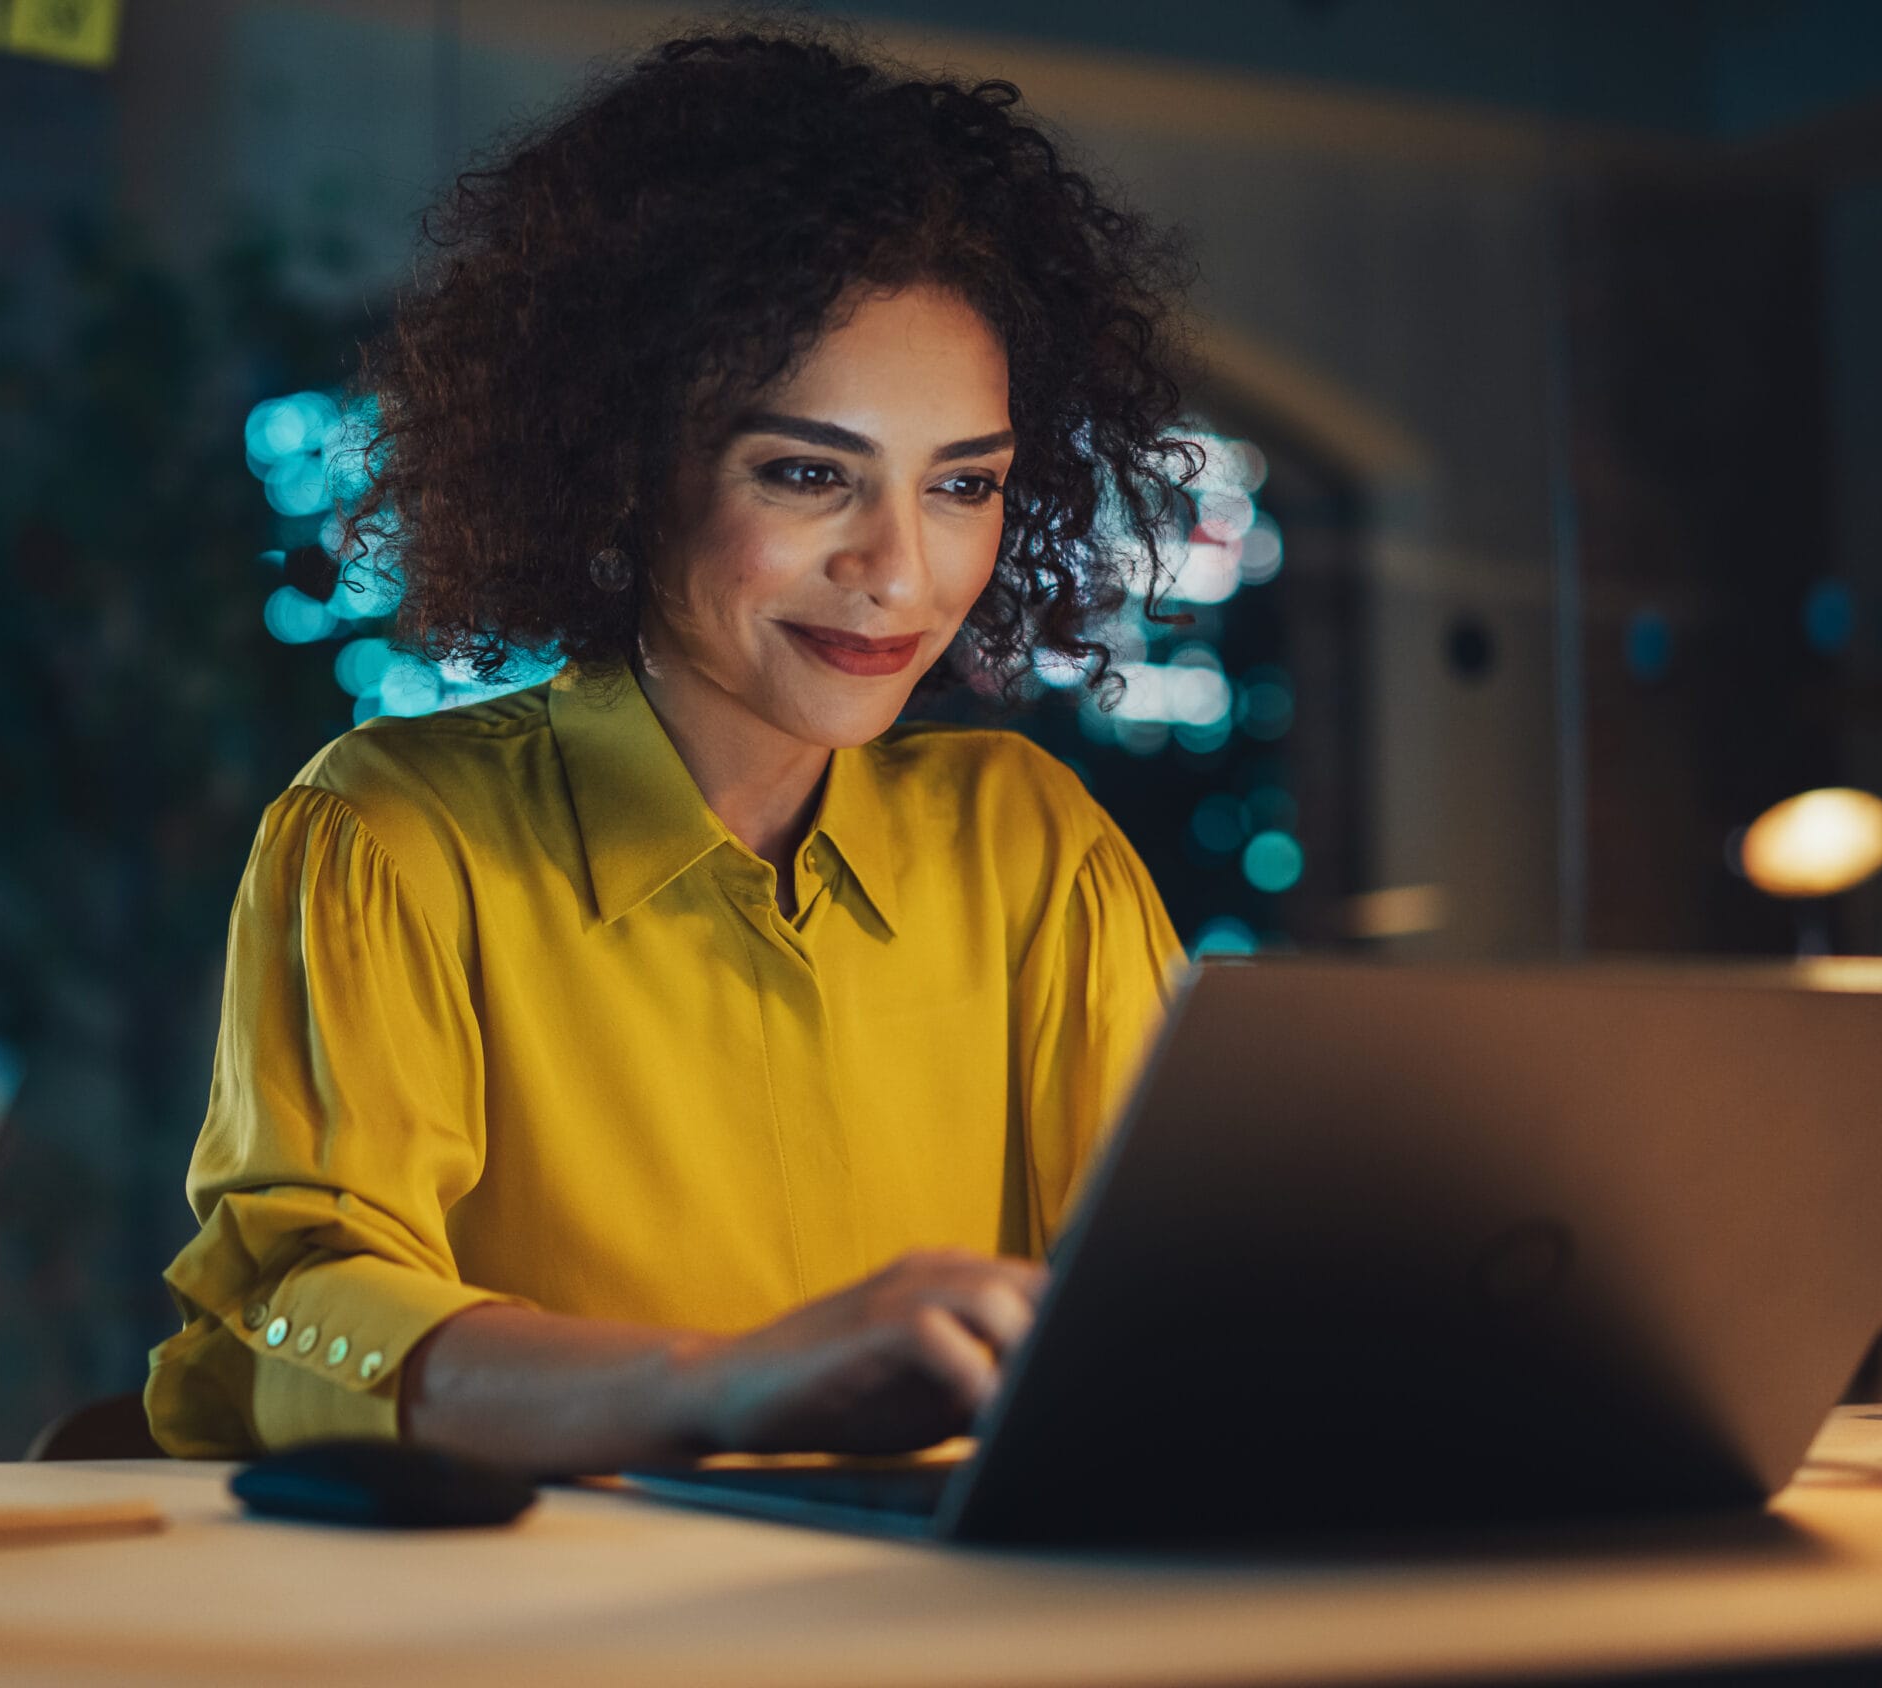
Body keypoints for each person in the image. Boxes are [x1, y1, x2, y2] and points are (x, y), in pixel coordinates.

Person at [145, 25, 1196, 1473]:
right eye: (810, 474)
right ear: (627, 462)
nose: (899, 571)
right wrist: (729, 1383)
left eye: (964, 486)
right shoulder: (390, 836)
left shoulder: (1035, 850)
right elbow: (301, 1311)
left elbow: (1171, 1321)